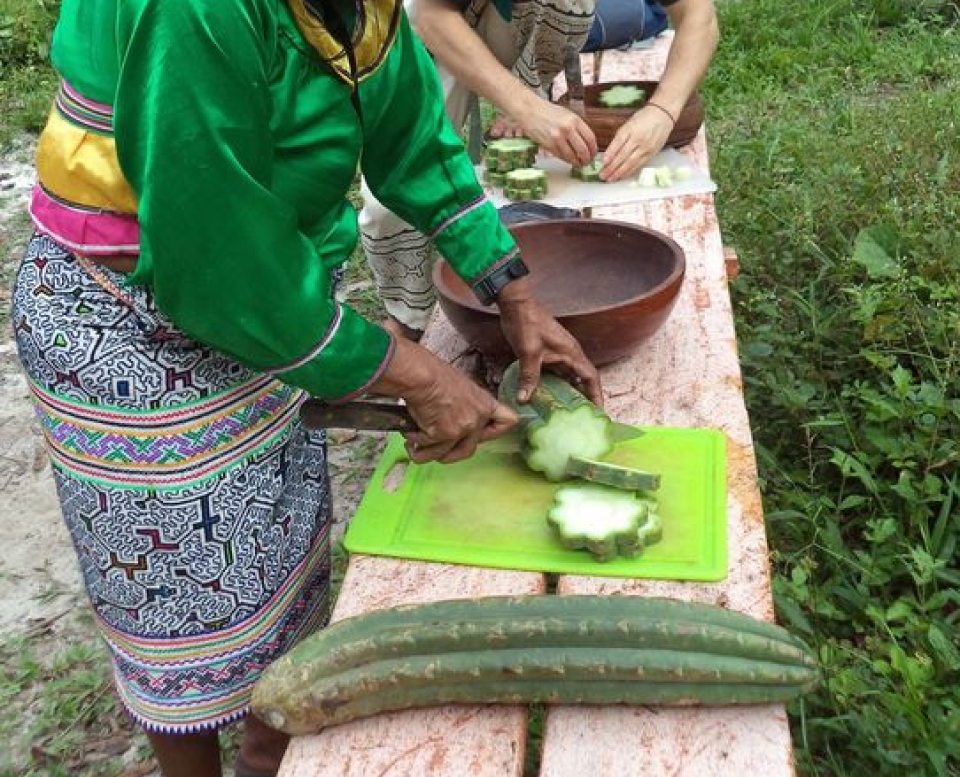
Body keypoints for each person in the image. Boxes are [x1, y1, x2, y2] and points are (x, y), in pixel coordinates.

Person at [10, 1, 600, 776]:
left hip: (274, 305)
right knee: (179, 604)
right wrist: (419, 372)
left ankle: (269, 753)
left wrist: (510, 290)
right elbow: (213, 246)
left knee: (278, 558)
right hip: (129, 330)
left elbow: (412, 136)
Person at [360, 0, 718, 337]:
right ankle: (408, 321)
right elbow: (431, 16)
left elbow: (699, 15)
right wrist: (526, 107)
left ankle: (529, 78)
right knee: (396, 189)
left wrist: (663, 111)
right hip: (427, 24)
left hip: (511, 17)